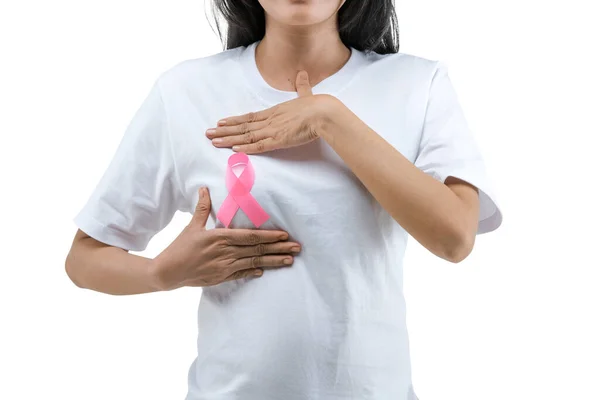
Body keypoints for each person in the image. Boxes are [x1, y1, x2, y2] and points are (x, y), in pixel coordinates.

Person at [65, 0, 502, 399]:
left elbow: (455, 238)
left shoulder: (417, 85)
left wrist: (329, 117)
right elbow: (85, 258)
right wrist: (161, 273)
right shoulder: (186, 91)